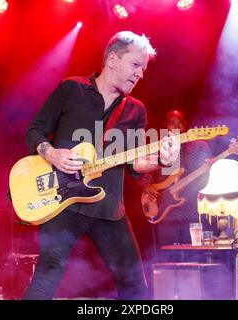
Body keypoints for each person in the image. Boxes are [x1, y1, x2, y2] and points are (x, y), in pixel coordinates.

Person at [22, 31, 180, 300]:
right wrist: (52, 154)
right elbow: (35, 130)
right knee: (48, 275)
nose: (140, 74)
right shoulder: (71, 89)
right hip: (62, 202)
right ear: (113, 59)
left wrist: (164, 160)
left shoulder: (136, 110)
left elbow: (135, 163)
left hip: (108, 208)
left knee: (135, 288)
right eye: (135, 65)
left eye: (143, 69)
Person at [140, 110, 213, 247]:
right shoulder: (160, 148)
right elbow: (145, 175)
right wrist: (147, 187)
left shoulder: (198, 146)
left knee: (193, 258)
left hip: (192, 211)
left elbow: (206, 177)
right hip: (165, 214)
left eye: (180, 124)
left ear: (184, 126)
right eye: (171, 123)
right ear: (165, 126)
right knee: (167, 257)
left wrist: (209, 167)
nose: (176, 127)